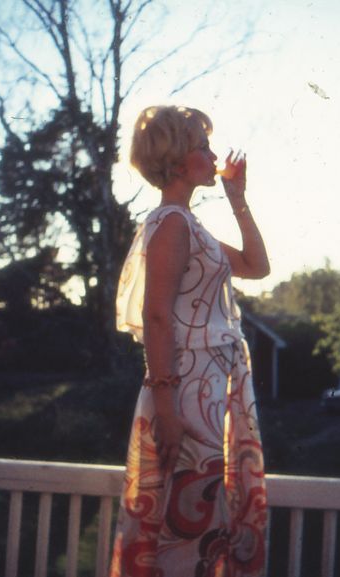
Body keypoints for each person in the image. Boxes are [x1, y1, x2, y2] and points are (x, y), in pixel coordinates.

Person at [109, 105, 270, 577]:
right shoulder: (172, 224)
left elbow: (257, 267)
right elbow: (156, 316)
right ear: (178, 161)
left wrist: (238, 198)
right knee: (186, 528)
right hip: (186, 390)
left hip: (207, 389)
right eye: (203, 147)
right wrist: (167, 410)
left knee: (203, 522)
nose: (214, 156)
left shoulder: (189, 225)